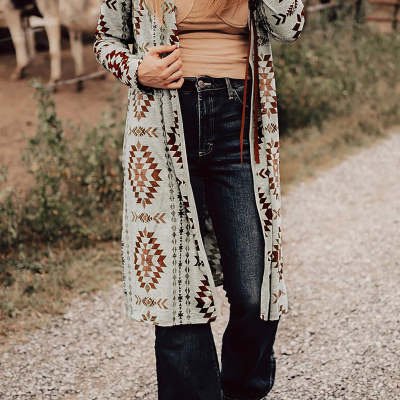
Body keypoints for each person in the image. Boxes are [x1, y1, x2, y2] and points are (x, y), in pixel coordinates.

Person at [93, 1, 305, 399]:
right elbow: (106, 40)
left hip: (238, 119)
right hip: (162, 121)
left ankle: (243, 389)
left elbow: (289, 27)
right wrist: (137, 69)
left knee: (255, 287)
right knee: (177, 287)